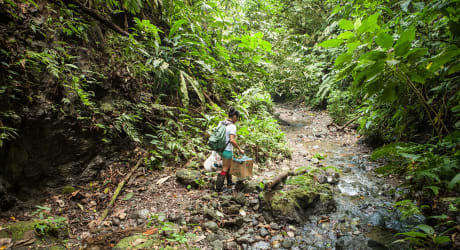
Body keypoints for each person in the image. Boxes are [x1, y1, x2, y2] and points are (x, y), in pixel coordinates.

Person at [216, 107, 244, 192]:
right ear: (234, 116)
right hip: (227, 150)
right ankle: (218, 188)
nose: (237, 120)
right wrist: (239, 149)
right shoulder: (232, 126)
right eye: (237, 118)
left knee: (230, 166)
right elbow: (232, 140)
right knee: (225, 168)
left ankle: (229, 183)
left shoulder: (221, 123)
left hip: (220, 148)